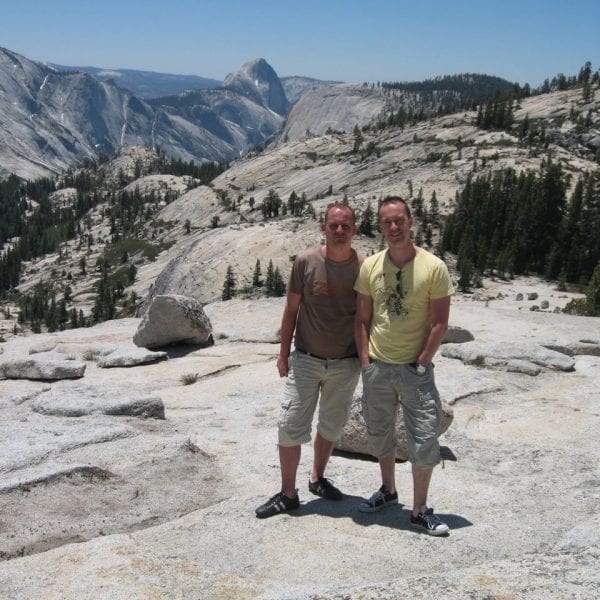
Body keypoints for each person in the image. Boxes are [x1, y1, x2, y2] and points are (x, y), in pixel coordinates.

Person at [354, 195, 454, 535]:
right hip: (378, 366)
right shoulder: (371, 266)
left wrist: (421, 363)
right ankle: (388, 490)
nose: (394, 227)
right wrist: (365, 362)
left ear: (411, 222)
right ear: (381, 227)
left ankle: (420, 509)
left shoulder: (434, 267)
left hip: (415, 371)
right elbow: (362, 319)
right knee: (379, 432)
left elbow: (440, 323)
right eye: (387, 222)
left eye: (399, 220)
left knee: (424, 438)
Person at [255, 202, 361, 518]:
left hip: (346, 362)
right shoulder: (306, 261)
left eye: (345, 226)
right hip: (306, 359)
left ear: (354, 230)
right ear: (323, 228)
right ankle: (288, 493)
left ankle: (317, 478)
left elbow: (367, 317)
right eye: (334, 225)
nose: (339, 231)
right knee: (290, 424)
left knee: (331, 425)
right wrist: (282, 355)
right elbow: (291, 310)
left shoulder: (363, 266)